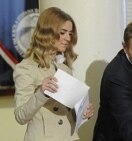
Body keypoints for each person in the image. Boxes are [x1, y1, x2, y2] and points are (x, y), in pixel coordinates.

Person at [13, 7, 94, 141]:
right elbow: (20, 116)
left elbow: (65, 112)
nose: (68, 38)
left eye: (70, 33)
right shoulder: (26, 68)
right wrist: (41, 93)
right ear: (47, 33)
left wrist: (82, 113)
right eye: (63, 33)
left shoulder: (64, 67)